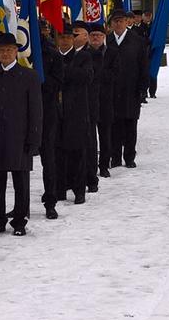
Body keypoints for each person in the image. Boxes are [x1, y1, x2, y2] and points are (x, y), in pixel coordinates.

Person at [0, 33, 42, 236]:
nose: (5, 53)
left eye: (9, 49)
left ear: (16, 51)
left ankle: (19, 221)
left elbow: (35, 111)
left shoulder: (29, 76)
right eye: (1, 50)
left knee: (21, 183)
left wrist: (34, 140)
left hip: (20, 139)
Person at [107, 11, 150, 169]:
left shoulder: (137, 41)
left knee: (130, 125)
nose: (118, 24)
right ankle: (115, 157)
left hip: (131, 90)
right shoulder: (108, 40)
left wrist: (142, 88)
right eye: (115, 21)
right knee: (114, 126)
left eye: (121, 21)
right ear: (111, 23)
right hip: (111, 91)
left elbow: (144, 66)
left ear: (126, 22)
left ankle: (129, 156)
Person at [57, 23, 94, 203]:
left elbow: (86, 76)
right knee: (58, 154)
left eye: (68, 37)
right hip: (56, 114)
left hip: (77, 112)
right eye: (61, 37)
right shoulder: (52, 57)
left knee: (78, 153)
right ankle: (60, 188)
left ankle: (79, 190)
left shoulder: (83, 57)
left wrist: (63, 69)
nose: (64, 41)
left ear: (73, 39)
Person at [37, 21, 65, 219]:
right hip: (22, 111)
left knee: (49, 158)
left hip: (47, 110)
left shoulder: (51, 52)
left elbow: (58, 81)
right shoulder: (23, 50)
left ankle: (51, 200)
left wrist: (38, 85)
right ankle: (20, 206)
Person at [86, 23, 117, 179]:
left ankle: (104, 165)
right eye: (93, 35)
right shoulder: (84, 54)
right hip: (89, 101)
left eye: (99, 35)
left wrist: (98, 74)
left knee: (106, 136)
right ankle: (90, 166)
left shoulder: (111, 53)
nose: (96, 38)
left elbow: (115, 74)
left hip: (106, 100)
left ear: (104, 37)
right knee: (90, 137)